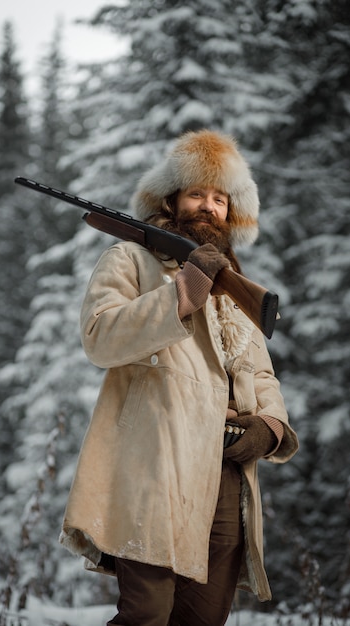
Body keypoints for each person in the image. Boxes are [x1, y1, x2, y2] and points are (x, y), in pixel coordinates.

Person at [59, 129, 299, 625]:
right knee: (146, 615)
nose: (208, 206)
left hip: (229, 475)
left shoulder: (237, 289)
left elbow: (261, 374)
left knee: (203, 620)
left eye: (219, 198)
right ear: (172, 200)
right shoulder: (131, 259)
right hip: (154, 467)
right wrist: (183, 291)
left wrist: (270, 428)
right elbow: (100, 337)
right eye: (196, 193)